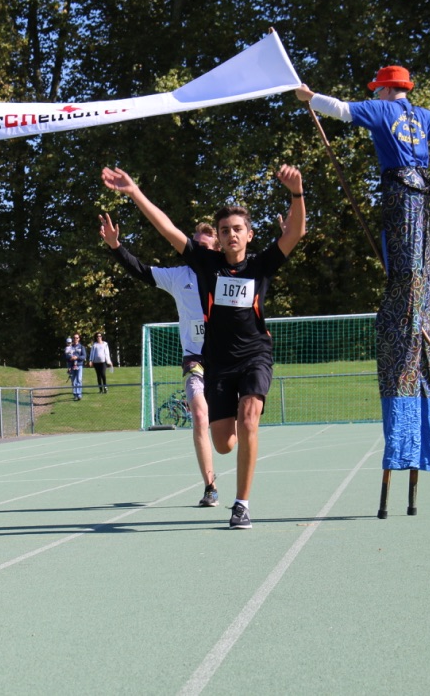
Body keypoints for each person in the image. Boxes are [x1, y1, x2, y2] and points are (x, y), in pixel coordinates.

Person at [101, 164, 306, 529]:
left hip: (255, 355)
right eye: (225, 230)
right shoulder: (205, 265)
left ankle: (241, 504)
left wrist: (296, 193)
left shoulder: (261, 265)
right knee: (224, 444)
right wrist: (134, 193)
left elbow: (296, 233)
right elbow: (168, 229)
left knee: (249, 418)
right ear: (219, 238)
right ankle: (237, 438)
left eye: (237, 229)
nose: (231, 235)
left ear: (249, 235)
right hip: (217, 362)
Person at [295, 66, 430, 478]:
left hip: (399, 195)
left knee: (404, 270)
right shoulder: (423, 117)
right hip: (420, 196)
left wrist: (309, 98)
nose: (375, 94)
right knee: (411, 265)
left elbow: (341, 110)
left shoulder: (384, 111)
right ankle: (410, 306)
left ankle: (405, 315)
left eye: (378, 89)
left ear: (387, 89)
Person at [99, 217, 222, 507]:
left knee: (227, 436)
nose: (197, 251)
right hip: (195, 360)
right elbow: (141, 270)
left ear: (216, 250)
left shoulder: (227, 274)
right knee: (199, 416)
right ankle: (210, 486)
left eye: (204, 247)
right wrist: (116, 246)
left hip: (225, 360)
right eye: (194, 245)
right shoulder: (179, 276)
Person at [64, 334, 87, 400]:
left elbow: (84, 356)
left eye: (77, 338)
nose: (75, 339)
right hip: (72, 366)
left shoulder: (81, 347)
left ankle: (79, 394)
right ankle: (75, 395)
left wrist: (77, 357)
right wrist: (70, 358)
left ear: (79, 339)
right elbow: (66, 356)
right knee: (73, 380)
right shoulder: (70, 346)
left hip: (79, 365)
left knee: (79, 379)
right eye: (74, 338)